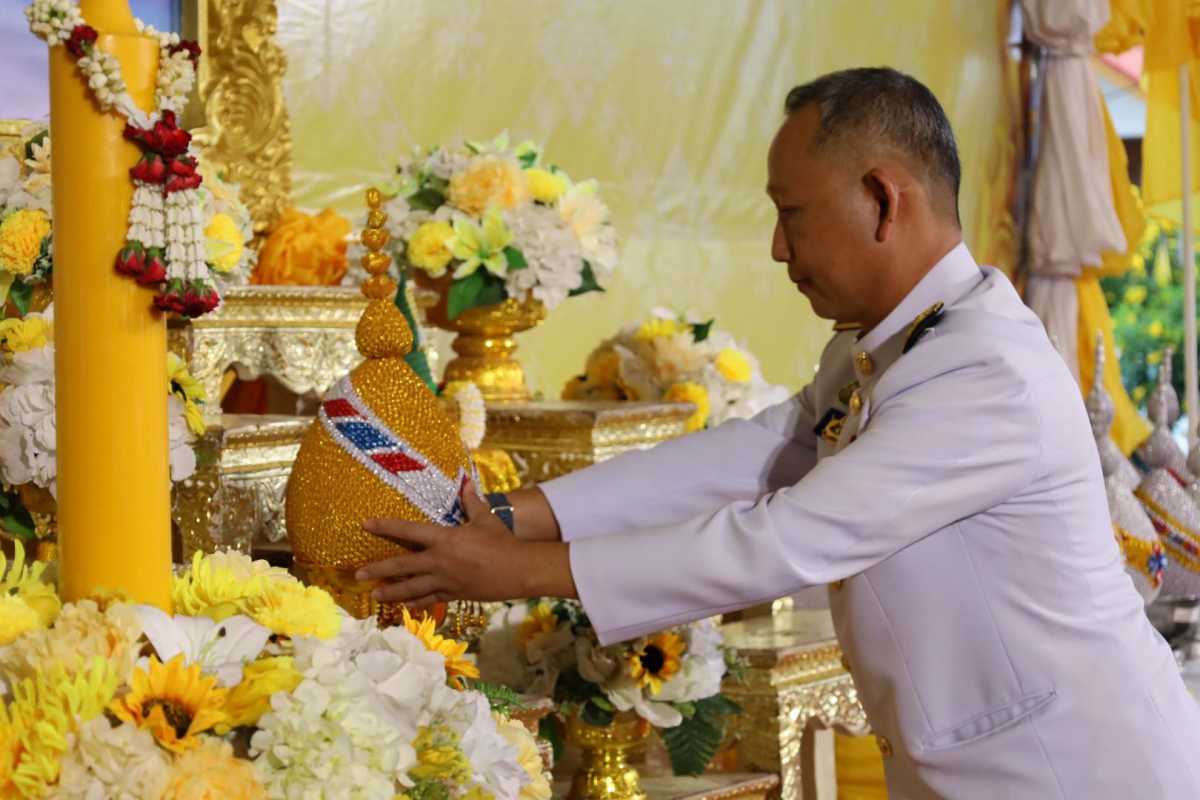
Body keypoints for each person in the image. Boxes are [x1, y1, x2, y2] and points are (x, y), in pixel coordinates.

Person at [356, 68, 1200, 797]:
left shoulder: (985, 371)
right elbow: (760, 453)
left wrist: (517, 572)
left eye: (793, 214)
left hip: (1077, 771)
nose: (775, 248)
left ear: (883, 199)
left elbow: (789, 537)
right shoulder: (895, 342)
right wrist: (519, 516)